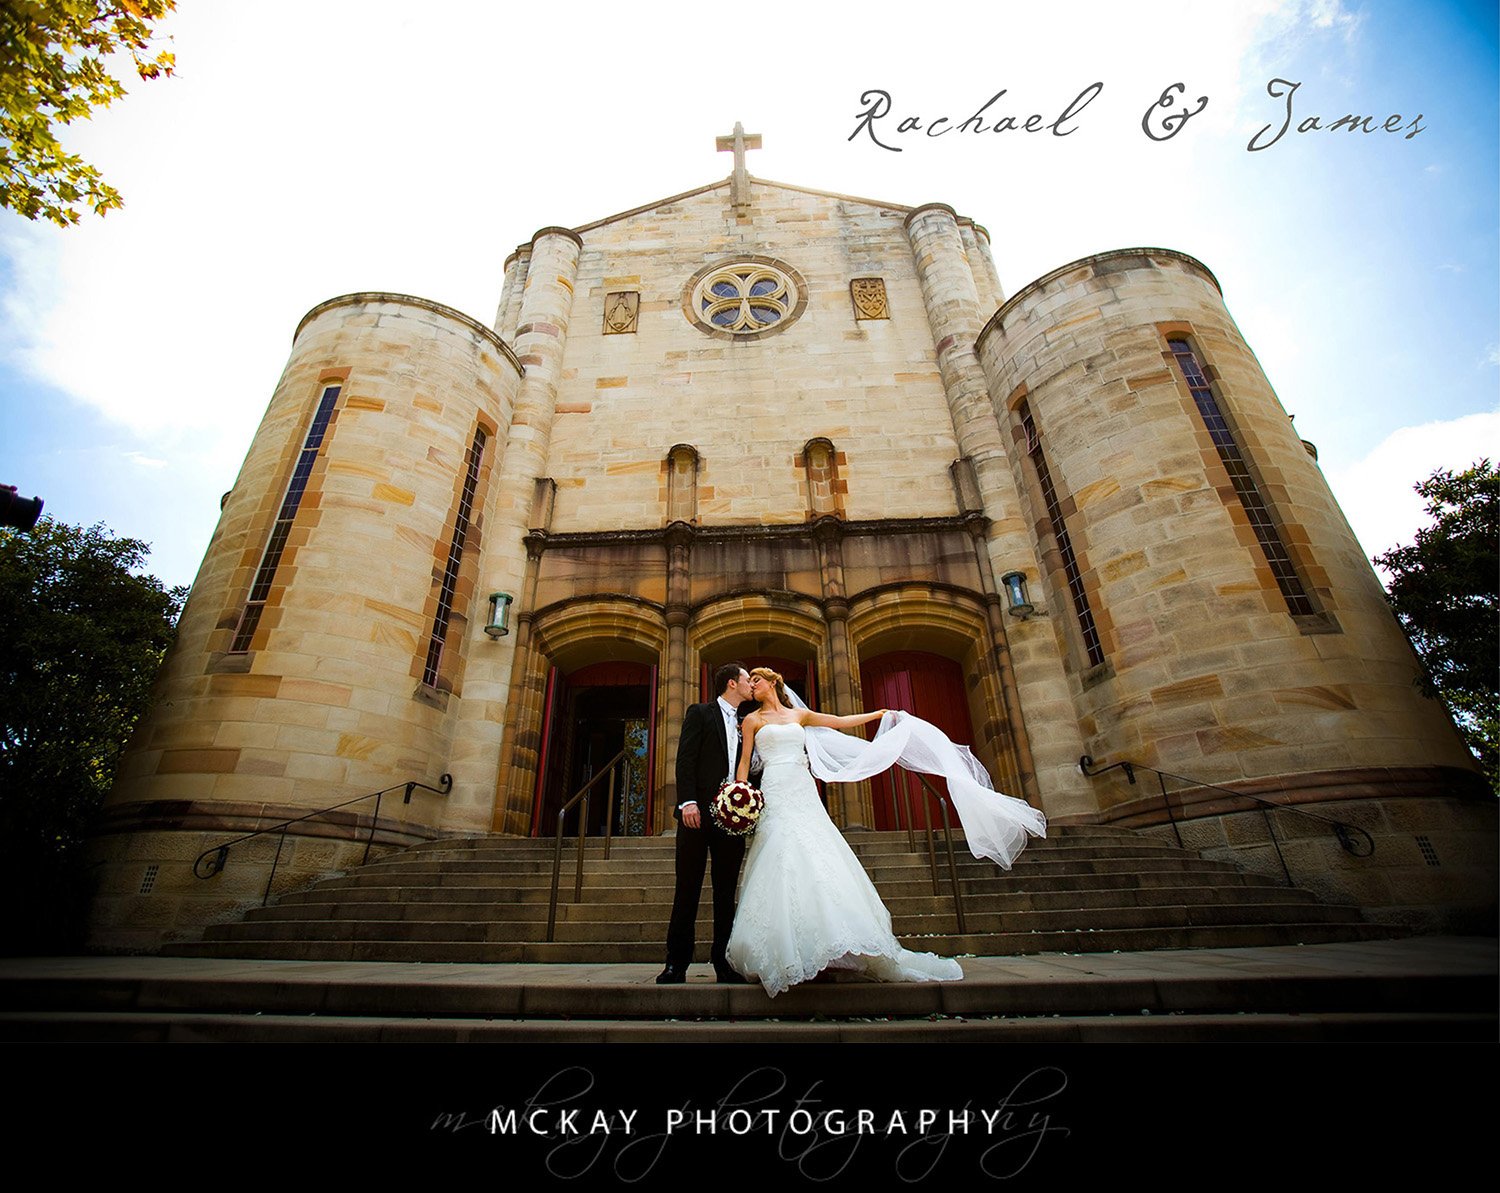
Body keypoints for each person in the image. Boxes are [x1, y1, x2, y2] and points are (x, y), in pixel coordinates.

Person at [724, 667, 973, 997]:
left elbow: (838, 722)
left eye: (756, 681)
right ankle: (783, 949)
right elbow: (744, 764)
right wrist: (739, 796)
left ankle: (828, 947)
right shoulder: (752, 720)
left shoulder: (800, 714)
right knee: (779, 855)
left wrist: (877, 713)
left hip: (801, 788)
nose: (751, 686)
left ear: (772, 683)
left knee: (816, 854)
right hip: (773, 789)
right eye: (749, 681)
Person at [657, 661, 757, 985]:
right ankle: (676, 963)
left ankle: (723, 962)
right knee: (687, 889)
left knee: (726, 893)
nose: (750, 685)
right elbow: (685, 758)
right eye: (746, 679)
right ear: (731, 683)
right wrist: (686, 802)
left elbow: (749, 769)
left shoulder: (747, 724)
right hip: (696, 816)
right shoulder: (699, 713)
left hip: (731, 821)